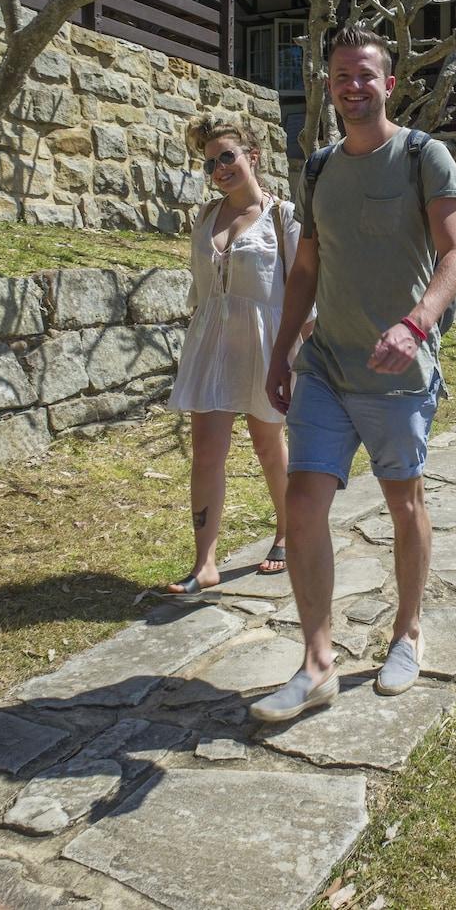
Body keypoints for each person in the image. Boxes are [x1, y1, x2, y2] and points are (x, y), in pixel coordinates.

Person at [250, 24, 456, 722]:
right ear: (329, 85)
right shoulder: (318, 168)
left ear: (389, 82)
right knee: (303, 501)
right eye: (342, 76)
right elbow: (307, 267)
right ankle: (317, 662)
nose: (353, 86)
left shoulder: (422, 156)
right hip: (326, 366)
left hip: (399, 371)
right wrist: (282, 348)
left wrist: (416, 325)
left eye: (365, 75)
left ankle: (406, 631)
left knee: (404, 502)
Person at [160, 115, 302, 594]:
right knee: (206, 452)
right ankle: (205, 562)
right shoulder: (204, 218)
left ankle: (287, 533)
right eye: (209, 163)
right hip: (211, 347)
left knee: (268, 446)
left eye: (227, 156)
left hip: (266, 347)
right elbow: (201, 291)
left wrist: (299, 354)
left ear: (252, 157)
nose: (219, 168)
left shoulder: (282, 217)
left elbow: (302, 291)